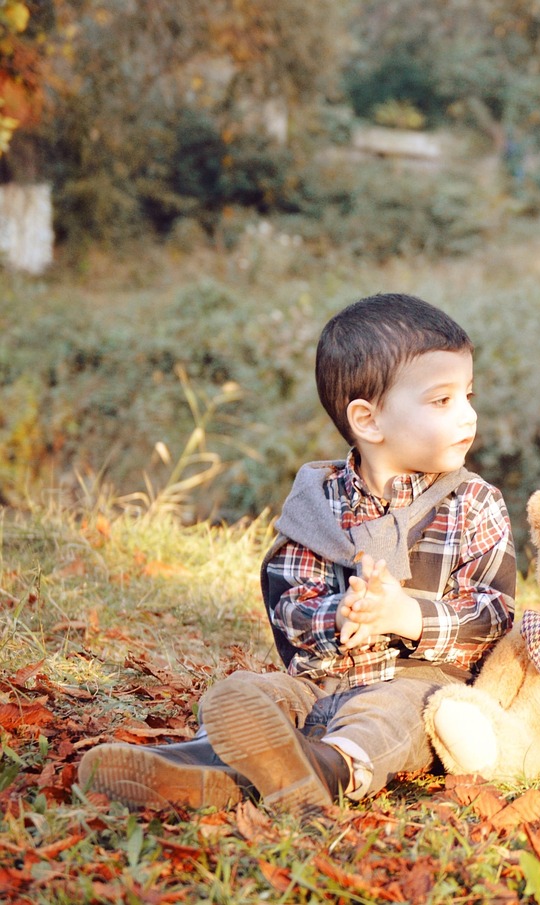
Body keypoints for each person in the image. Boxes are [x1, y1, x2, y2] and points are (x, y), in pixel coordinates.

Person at [78, 293, 517, 815]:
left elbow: (495, 615)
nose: (468, 415)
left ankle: (326, 768)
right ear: (368, 420)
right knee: (250, 691)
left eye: (468, 394)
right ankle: (196, 765)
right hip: (320, 683)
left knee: (395, 712)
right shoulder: (319, 501)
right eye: (441, 400)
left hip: (419, 684)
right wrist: (342, 615)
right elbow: (290, 603)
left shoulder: (474, 503)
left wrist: (405, 615)